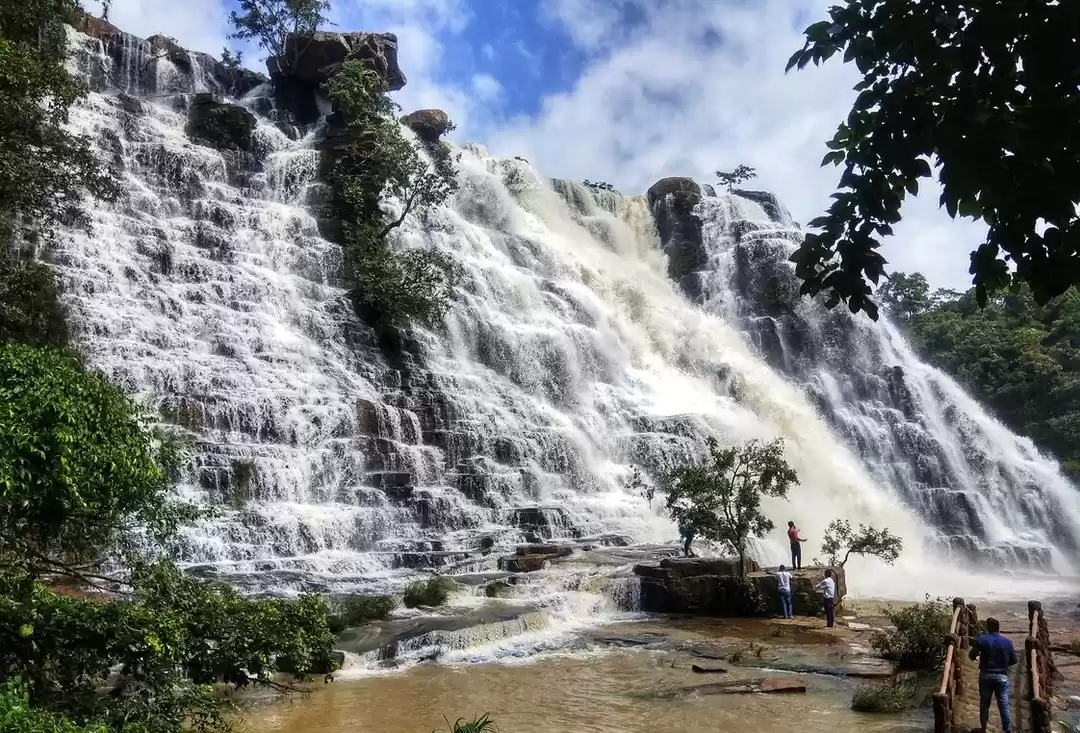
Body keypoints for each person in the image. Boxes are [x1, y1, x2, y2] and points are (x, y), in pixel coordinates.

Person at [969, 617, 1018, 733]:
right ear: (998, 628)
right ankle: (1007, 730)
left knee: (984, 704)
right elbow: (1013, 661)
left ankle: (983, 729)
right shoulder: (1008, 642)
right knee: (1004, 705)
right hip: (1002, 677)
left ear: (988, 627)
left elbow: (972, 655)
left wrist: (975, 654)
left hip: (985, 676)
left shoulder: (982, 640)